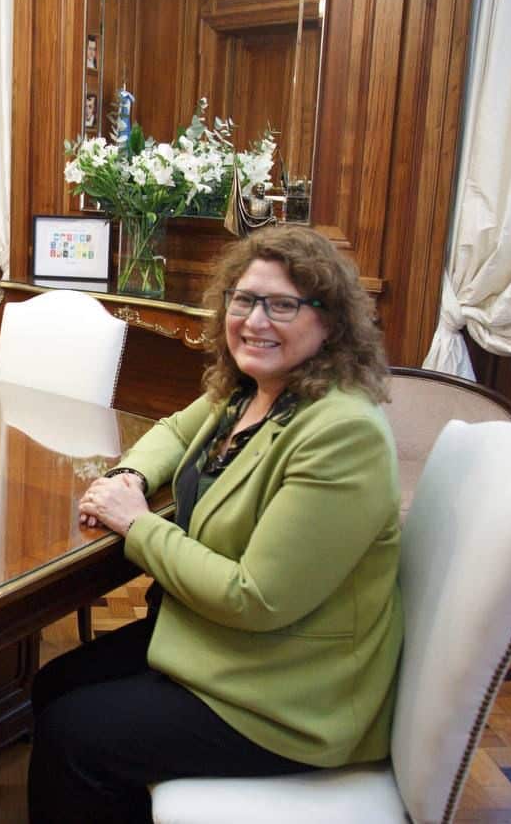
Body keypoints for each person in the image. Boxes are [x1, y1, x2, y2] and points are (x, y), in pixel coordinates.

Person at [28, 226, 402, 823]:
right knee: (54, 687)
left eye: (282, 304)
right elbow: (176, 431)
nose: (255, 320)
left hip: (285, 693)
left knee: (73, 735)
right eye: (244, 299)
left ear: (329, 322)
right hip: (215, 640)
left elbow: (254, 597)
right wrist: (129, 475)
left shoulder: (342, 432)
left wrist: (138, 525)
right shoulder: (254, 390)